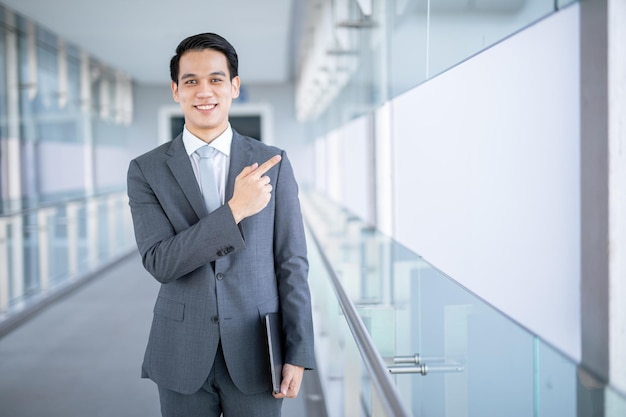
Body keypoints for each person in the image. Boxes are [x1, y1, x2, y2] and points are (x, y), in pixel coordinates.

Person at [126, 32, 315, 417]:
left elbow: (291, 263)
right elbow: (161, 262)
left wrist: (298, 351)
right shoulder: (146, 170)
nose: (203, 92)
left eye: (215, 79)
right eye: (191, 81)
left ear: (234, 86)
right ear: (176, 90)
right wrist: (235, 212)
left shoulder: (272, 163)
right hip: (181, 349)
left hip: (258, 349)